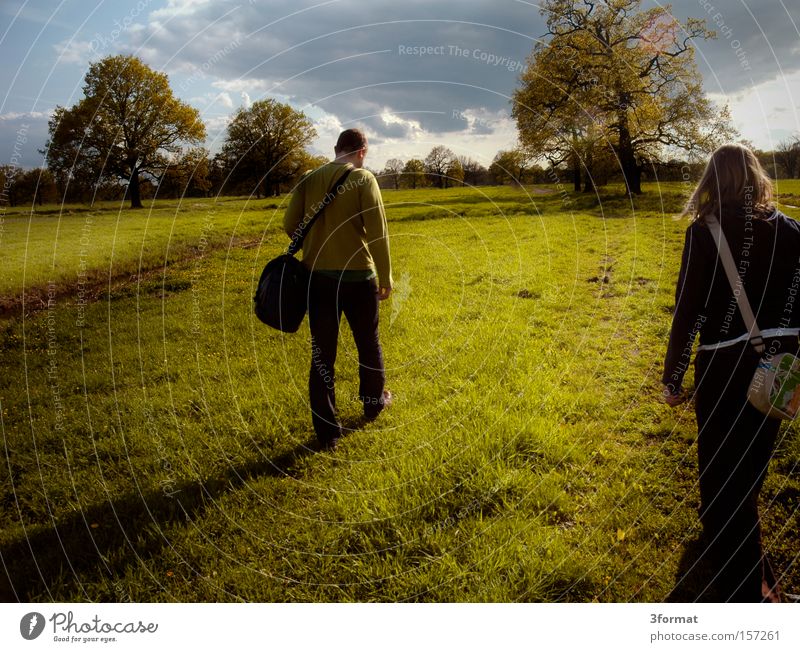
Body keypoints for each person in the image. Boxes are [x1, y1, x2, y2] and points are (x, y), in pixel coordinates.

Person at [662, 143, 800, 602]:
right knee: (752, 462)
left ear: (711, 180)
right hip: (782, 365)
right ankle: (731, 537)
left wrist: (674, 375)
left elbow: (688, 310)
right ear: (756, 177)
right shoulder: (792, 230)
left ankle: (748, 594)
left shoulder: (705, 232)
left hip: (725, 364)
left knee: (721, 469)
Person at [283, 128, 393, 449]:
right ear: (362, 151)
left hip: (317, 278)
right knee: (367, 344)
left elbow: (290, 225)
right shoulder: (364, 179)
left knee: (322, 353)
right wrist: (385, 277)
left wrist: (315, 239)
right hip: (359, 277)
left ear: (335, 149)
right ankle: (373, 405)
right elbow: (377, 232)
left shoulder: (308, 177)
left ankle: (327, 432)